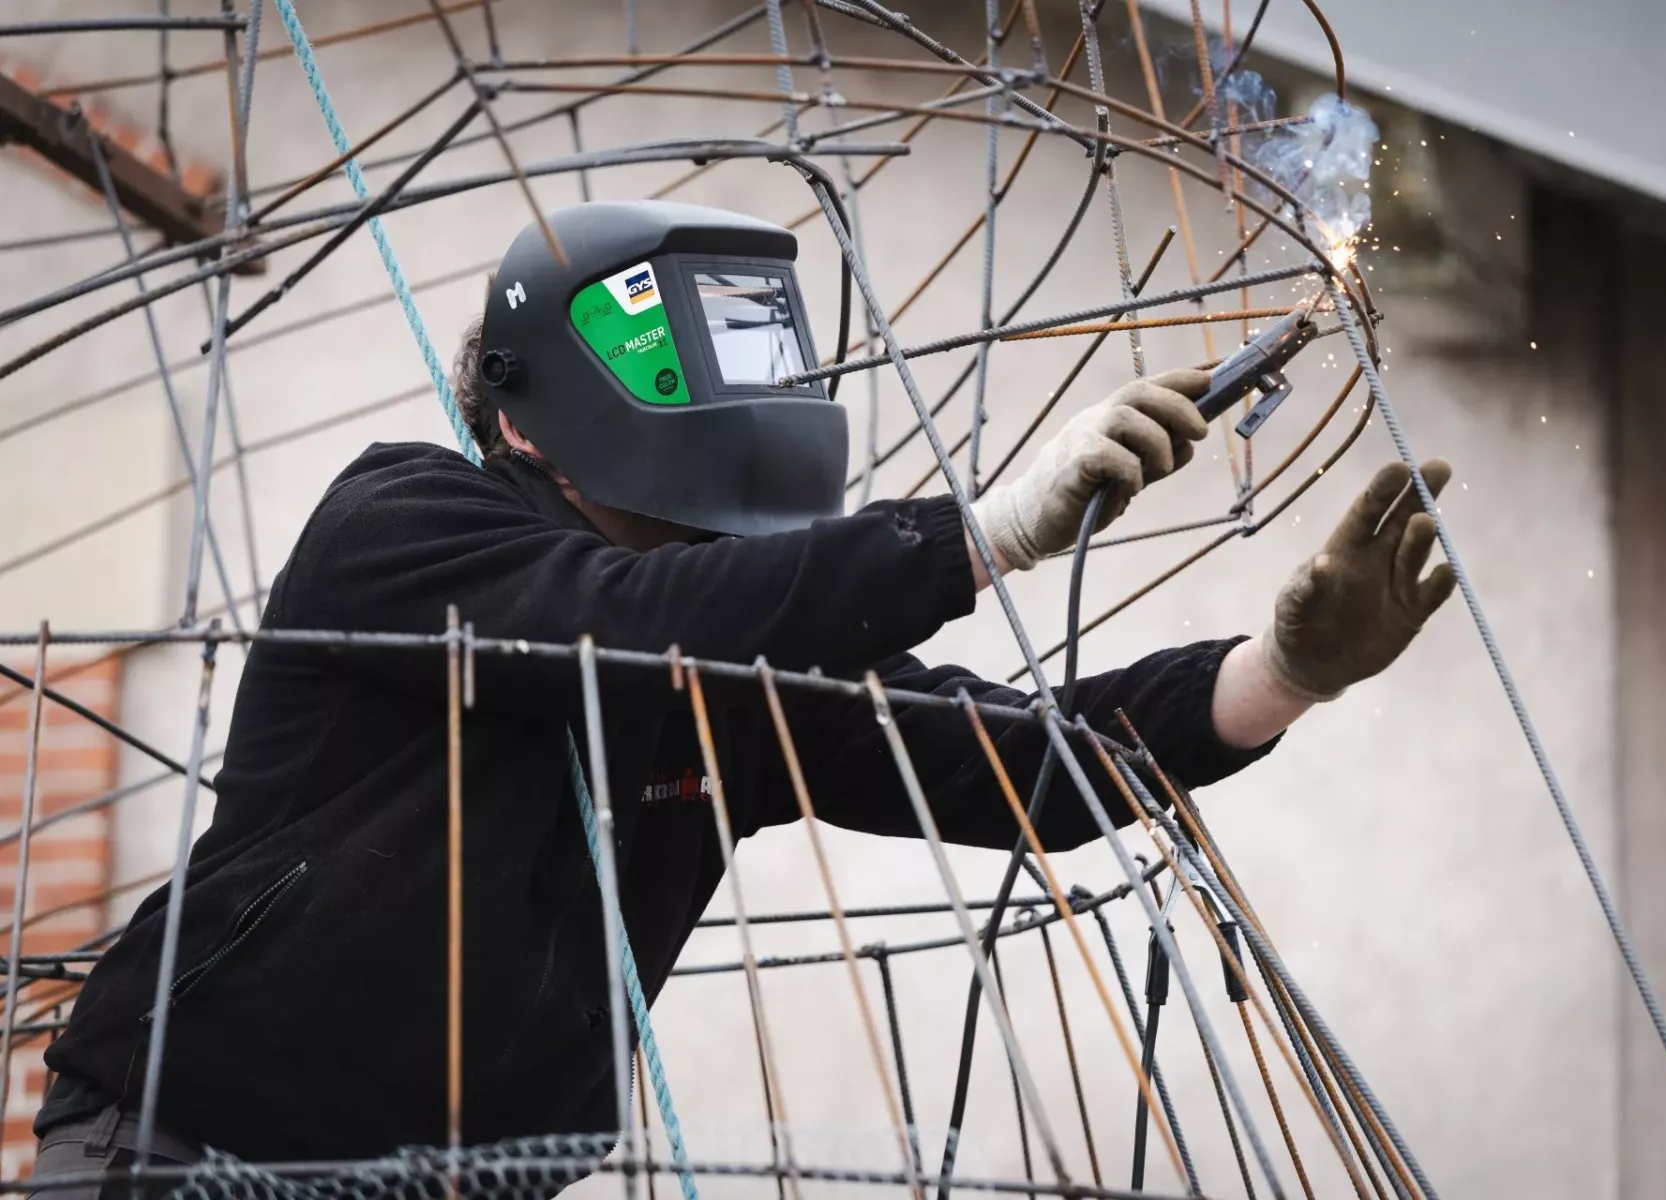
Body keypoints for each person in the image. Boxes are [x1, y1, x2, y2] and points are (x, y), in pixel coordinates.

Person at [30, 202, 1456, 1188]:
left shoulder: (737, 646)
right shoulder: (406, 523)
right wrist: (987, 533)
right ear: (530, 400)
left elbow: (1004, 763)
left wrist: (1278, 677)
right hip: (186, 1152)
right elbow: (618, 623)